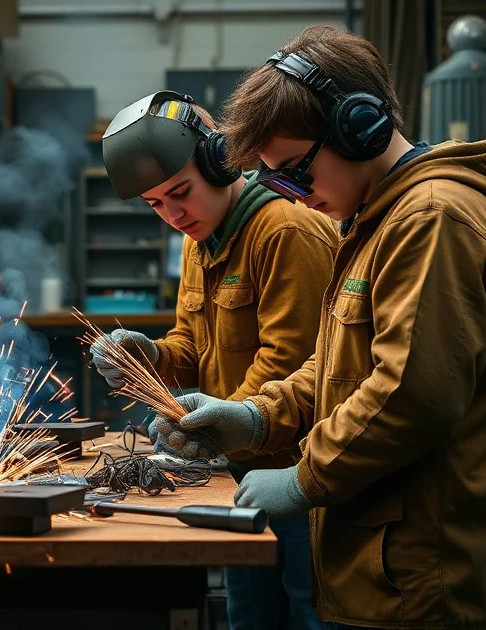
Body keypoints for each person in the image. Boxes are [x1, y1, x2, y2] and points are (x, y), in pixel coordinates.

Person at [158, 25, 486, 629]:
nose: (288, 192)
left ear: (358, 129)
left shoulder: (431, 221)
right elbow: (338, 365)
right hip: (383, 568)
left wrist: (303, 475)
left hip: (426, 580)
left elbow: (411, 394)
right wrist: (258, 417)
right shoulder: (373, 224)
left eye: (294, 170)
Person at [93, 91, 336, 630]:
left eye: (180, 193)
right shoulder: (199, 238)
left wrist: (212, 426)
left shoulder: (286, 230)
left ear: (220, 160)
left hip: (300, 480)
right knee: (249, 618)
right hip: (238, 474)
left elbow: (290, 365)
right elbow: (194, 347)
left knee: (307, 614)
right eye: (156, 204)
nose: (173, 215)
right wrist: (151, 356)